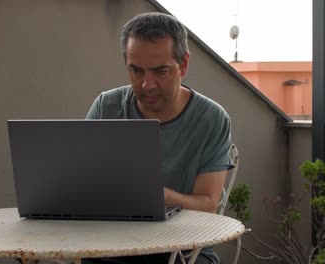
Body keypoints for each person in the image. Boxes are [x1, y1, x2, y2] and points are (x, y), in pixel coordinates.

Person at [82, 12, 233, 264]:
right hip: (111, 246)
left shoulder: (212, 118)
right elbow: (81, 180)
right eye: (136, 71)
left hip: (184, 250)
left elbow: (208, 205)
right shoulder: (106, 106)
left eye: (160, 72)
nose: (147, 85)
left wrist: (157, 197)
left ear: (183, 64)